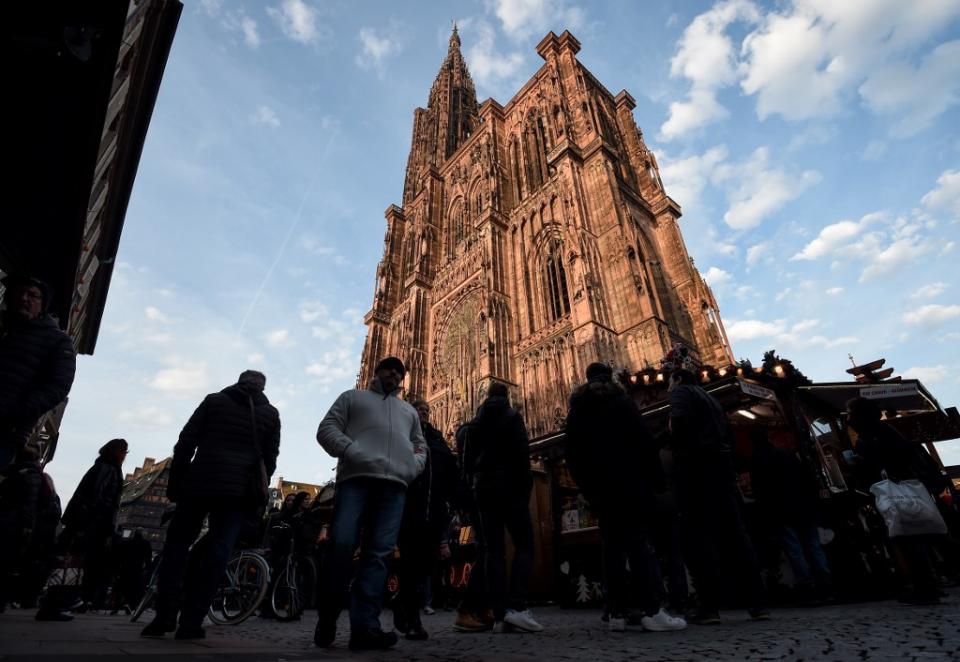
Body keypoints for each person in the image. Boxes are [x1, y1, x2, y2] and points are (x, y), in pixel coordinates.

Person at [141, 370, 280, 639]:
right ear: (262, 387)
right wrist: (257, 492)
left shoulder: (214, 401)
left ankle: (165, 615)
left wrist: (176, 482)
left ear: (238, 382)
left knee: (176, 548)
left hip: (199, 483)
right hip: (237, 493)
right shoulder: (271, 414)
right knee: (218, 555)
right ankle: (192, 621)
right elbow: (269, 459)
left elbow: (186, 441)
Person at [314, 356, 427, 651]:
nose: (394, 374)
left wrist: (411, 467)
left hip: (394, 487)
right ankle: (327, 617)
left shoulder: (407, 411)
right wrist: (352, 451)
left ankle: (366, 627)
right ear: (376, 371)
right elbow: (326, 429)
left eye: (400, 372)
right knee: (341, 547)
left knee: (379, 556)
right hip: (356, 482)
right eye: (389, 369)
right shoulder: (353, 398)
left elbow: (420, 445)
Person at [565, 362, 687, 632]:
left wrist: (586, 488)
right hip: (629, 485)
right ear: (609, 378)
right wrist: (656, 481)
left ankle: (615, 612)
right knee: (638, 545)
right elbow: (643, 442)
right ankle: (652, 610)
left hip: (600, 491)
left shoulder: (578, 409)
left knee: (611, 550)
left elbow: (572, 455)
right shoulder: (621, 402)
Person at [668, 369, 768, 624]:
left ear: (677, 379)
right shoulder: (711, 399)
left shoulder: (681, 393)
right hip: (721, 471)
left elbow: (679, 423)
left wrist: (676, 444)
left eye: (671, 379)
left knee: (699, 538)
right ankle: (757, 604)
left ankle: (709, 607)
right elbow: (729, 437)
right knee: (736, 537)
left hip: (697, 471)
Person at [846, 396, 948, 605]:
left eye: (850, 413)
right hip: (900, 487)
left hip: (895, 489)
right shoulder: (881, 431)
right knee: (913, 536)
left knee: (908, 536)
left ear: (859, 415)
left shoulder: (873, 435)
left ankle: (925, 587)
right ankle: (927, 584)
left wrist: (860, 463)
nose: (848, 417)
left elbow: (882, 460)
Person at [459, 382, 541, 634]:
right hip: (512, 491)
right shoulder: (512, 416)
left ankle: (498, 616)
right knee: (524, 544)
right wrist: (526, 489)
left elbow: (467, 464)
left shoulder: (472, 427)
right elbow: (521, 456)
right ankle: (517, 607)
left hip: (484, 493)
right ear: (507, 395)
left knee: (494, 552)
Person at [393, 397, 456, 640]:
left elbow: (450, 471)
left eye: (427, 410)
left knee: (427, 565)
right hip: (408, 510)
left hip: (435, 512)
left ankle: (401, 600)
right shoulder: (401, 435)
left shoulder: (437, 438)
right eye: (420, 409)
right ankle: (413, 620)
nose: (425, 413)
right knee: (410, 562)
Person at [0, 275, 76, 470]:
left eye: (32, 295)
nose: (24, 298)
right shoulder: (4, 326)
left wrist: (15, 411)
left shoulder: (58, 341)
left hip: (7, 430)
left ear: (43, 304)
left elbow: (58, 387)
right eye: (19, 293)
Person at [747, 430, 832, 604]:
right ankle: (825, 583)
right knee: (813, 546)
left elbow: (759, 489)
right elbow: (806, 477)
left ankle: (807, 585)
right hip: (802, 506)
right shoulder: (786, 454)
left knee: (795, 549)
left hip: (781, 510)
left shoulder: (759, 458)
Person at [60, 438, 127, 611]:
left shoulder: (101, 466)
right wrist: (104, 524)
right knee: (80, 562)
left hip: (87, 522)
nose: (124, 456)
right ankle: (67, 599)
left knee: (76, 561)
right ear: (117, 453)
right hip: (92, 523)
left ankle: (65, 599)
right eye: (124, 452)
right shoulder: (108, 469)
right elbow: (98, 496)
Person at [0, 446, 44, 611]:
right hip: (17, 521)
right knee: (8, 562)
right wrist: (28, 524)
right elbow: (33, 502)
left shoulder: (7, 471)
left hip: (7, 517)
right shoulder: (33, 474)